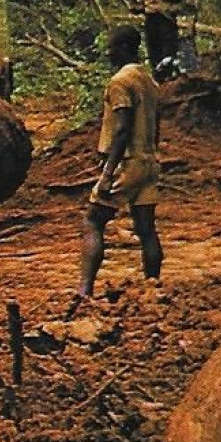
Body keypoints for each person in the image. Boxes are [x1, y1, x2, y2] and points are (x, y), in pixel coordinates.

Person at [76, 26, 162, 303]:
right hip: (149, 161)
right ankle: (153, 286)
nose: (108, 53)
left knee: (92, 220)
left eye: (112, 47)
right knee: (146, 229)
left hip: (126, 164)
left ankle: (84, 292)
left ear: (124, 48)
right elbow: (156, 124)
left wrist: (107, 173)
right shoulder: (149, 81)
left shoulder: (120, 83)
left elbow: (122, 129)